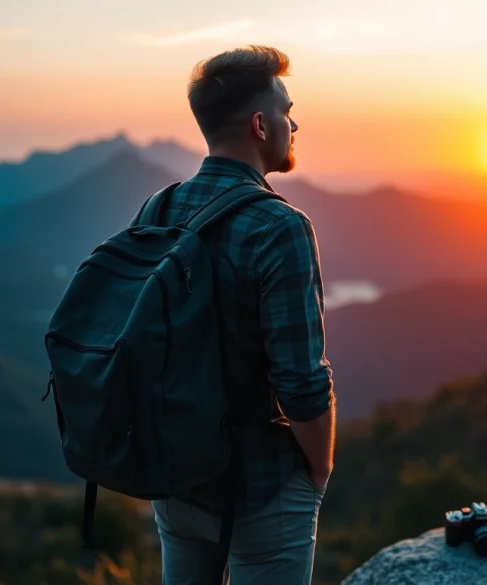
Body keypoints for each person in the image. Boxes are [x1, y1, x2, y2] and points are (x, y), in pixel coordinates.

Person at [149, 45, 336, 585]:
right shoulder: (281, 229)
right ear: (259, 124)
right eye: (285, 110)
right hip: (262, 489)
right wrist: (317, 471)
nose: (293, 123)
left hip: (176, 478)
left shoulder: (159, 209)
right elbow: (301, 381)